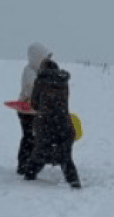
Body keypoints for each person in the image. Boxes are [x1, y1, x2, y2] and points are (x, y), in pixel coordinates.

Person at [22, 57, 81, 188]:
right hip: (63, 122)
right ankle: (74, 183)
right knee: (66, 157)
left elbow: (35, 104)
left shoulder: (40, 80)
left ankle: (28, 178)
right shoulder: (64, 81)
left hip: (45, 123)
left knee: (39, 153)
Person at [15, 42, 51, 175]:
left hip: (34, 111)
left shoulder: (38, 71)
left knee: (33, 138)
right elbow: (32, 91)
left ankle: (30, 162)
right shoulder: (29, 72)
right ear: (37, 58)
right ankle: (23, 165)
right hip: (26, 111)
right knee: (29, 137)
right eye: (44, 58)